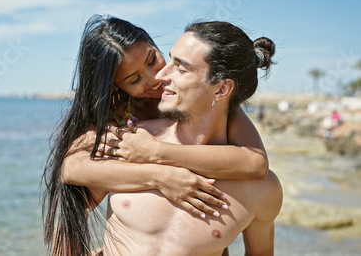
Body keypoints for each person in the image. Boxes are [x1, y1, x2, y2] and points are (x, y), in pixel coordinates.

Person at [43, 15, 269, 256]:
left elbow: (255, 162)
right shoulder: (120, 120)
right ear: (117, 88)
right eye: (135, 79)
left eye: (152, 60)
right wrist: (160, 176)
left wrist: (155, 152)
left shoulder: (205, 103)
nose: (156, 78)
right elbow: (73, 169)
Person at [102, 21, 283, 255]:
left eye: (181, 68)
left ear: (220, 90)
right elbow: (72, 198)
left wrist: (156, 153)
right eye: (170, 60)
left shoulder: (261, 189)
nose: (161, 74)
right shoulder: (133, 140)